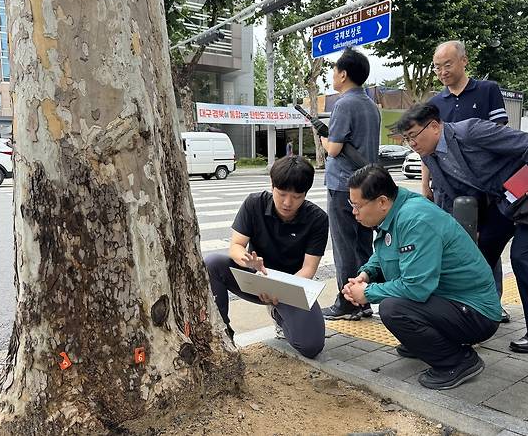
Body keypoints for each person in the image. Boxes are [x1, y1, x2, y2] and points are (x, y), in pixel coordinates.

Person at [394, 103, 528, 354]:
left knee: (524, 261)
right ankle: (461, 325)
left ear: (434, 126)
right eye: (406, 138)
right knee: (472, 258)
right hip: (506, 201)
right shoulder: (429, 155)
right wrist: (458, 233)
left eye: (413, 135)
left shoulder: (471, 131)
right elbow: (449, 194)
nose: (411, 143)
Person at [342, 165, 501, 390]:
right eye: (352, 205)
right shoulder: (398, 211)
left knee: (392, 309)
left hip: (476, 313)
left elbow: (416, 287)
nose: (354, 212)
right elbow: (386, 253)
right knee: (396, 307)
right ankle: (425, 342)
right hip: (451, 302)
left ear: (382, 202)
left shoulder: (415, 219)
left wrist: (367, 293)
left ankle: (458, 362)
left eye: (357, 206)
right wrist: (366, 274)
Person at [204, 155, 328, 359]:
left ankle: (279, 314)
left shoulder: (318, 219)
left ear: (306, 194)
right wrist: (247, 260)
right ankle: (222, 332)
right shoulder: (254, 204)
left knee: (311, 346)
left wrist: (280, 290)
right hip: (255, 278)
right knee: (213, 263)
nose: (288, 202)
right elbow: (235, 246)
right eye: (282, 194)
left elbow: (308, 269)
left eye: (297, 197)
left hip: (290, 286)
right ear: (272, 186)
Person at [426, 40, 511, 323]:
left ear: (464, 61)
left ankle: (491, 302)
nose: (442, 71)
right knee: (452, 246)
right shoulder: (435, 103)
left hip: (485, 187)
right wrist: (426, 186)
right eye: (437, 67)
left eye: (447, 64)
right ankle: (458, 302)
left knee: (487, 245)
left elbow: (499, 139)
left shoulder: (487, 91)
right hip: (448, 190)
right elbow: (428, 150)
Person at [320, 47, 381, 321]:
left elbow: (334, 149)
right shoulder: (371, 105)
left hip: (343, 185)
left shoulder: (343, 103)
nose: (333, 76)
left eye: (334, 71)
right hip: (367, 186)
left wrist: (322, 138)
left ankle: (346, 302)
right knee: (363, 245)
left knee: (344, 246)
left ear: (343, 74)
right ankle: (364, 299)